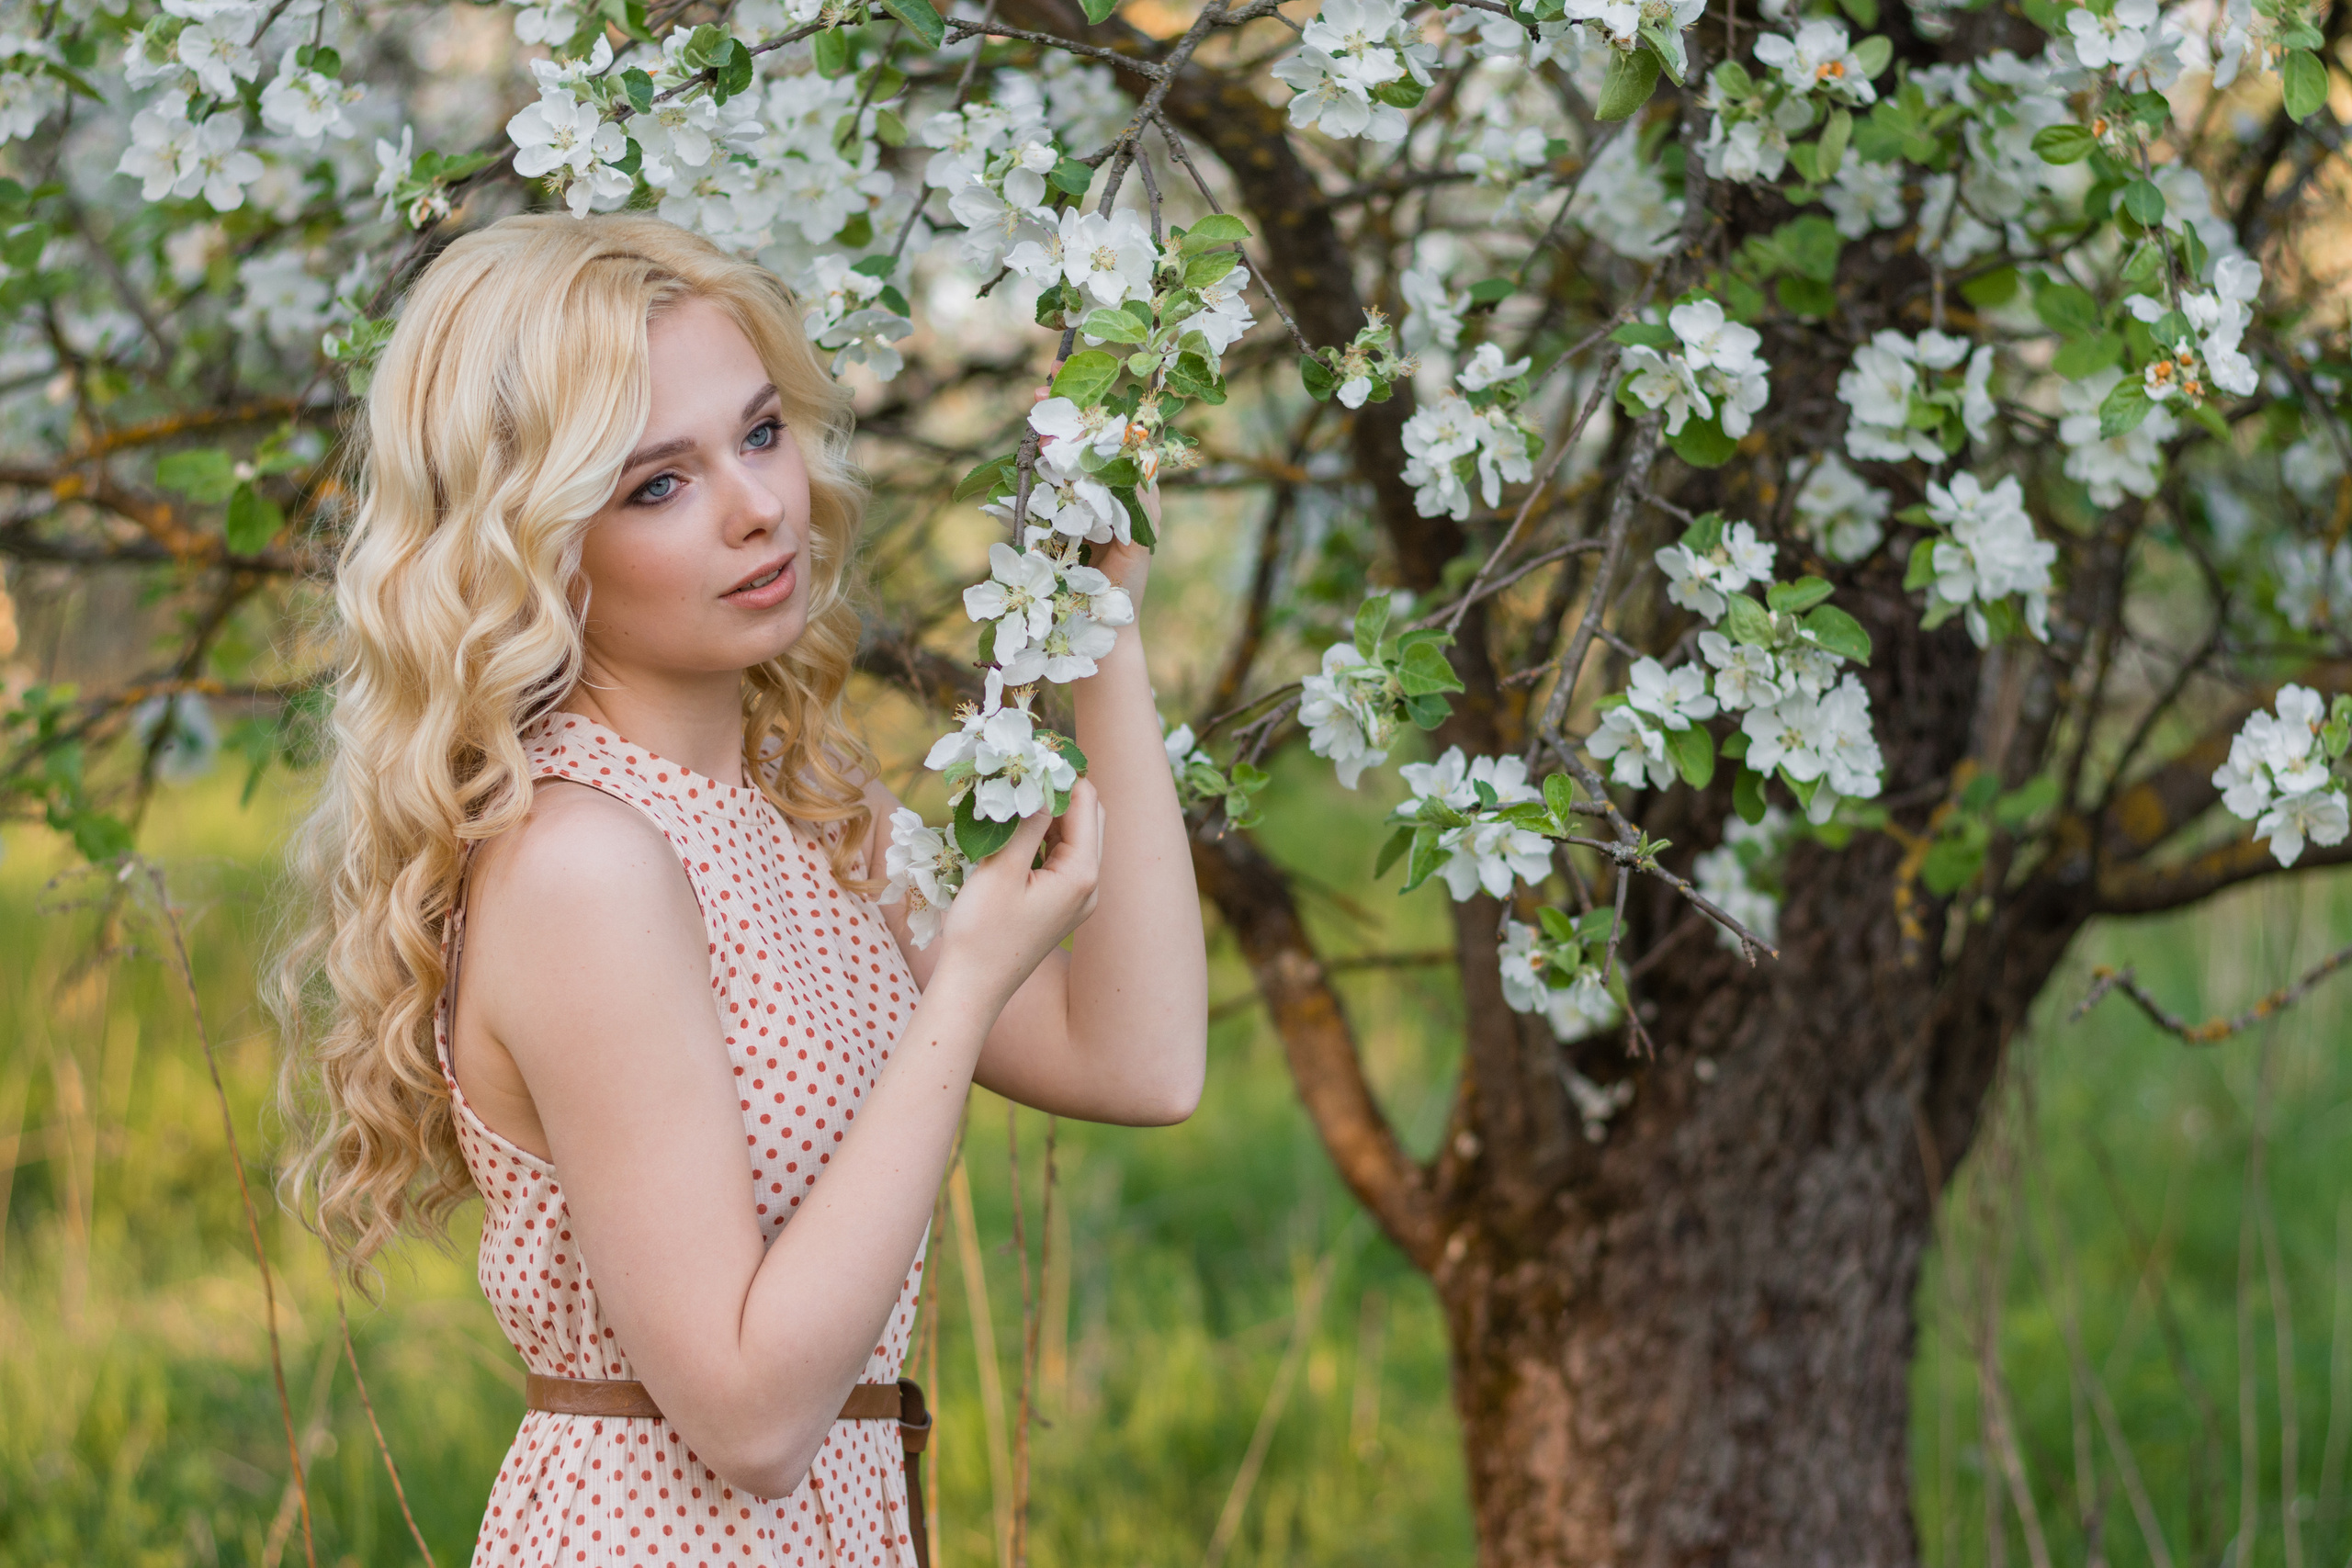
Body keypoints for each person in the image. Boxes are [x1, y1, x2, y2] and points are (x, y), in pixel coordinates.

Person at [277, 211, 1209, 1568]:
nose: (758, 506)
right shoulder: (586, 864)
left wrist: (1099, 626)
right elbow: (752, 1419)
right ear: (534, 546)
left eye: (761, 434)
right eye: (658, 484)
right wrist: (961, 991)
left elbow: (1142, 1060)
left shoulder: (803, 804)